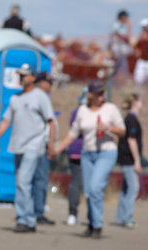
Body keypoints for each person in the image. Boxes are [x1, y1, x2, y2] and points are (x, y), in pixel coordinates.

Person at [0, 63, 56, 233]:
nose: (21, 78)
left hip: (34, 145)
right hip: (18, 146)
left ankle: (28, 220)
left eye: (25, 75)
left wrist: (51, 145)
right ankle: (24, 217)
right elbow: (5, 122)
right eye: (20, 75)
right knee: (20, 183)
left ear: (33, 77)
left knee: (24, 181)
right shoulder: (15, 98)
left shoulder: (40, 96)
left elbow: (51, 122)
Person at [54, 79, 125, 239]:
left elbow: (122, 131)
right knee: (88, 191)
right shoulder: (82, 111)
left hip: (106, 153)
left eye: (102, 93)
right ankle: (92, 223)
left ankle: (98, 226)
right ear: (90, 94)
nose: (101, 96)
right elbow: (73, 134)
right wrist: (57, 149)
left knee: (94, 187)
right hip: (87, 153)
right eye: (98, 93)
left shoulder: (110, 109)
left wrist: (109, 128)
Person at [32, 72, 57, 225]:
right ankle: (37, 213)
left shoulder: (41, 97)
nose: (49, 86)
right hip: (39, 145)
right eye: (47, 82)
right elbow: (50, 124)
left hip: (39, 144)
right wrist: (51, 144)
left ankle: (35, 211)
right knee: (39, 180)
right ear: (40, 82)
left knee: (37, 180)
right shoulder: (40, 97)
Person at [115, 93, 143, 229]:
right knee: (133, 188)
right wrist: (137, 161)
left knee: (126, 188)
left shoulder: (130, 118)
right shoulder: (131, 119)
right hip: (129, 159)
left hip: (126, 159)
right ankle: (127, 218)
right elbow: (131, 140)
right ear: (135, 102)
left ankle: (120, 217)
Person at [66, 87, 88, 226]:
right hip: (84, 150)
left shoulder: (75, 111)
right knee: (79, 184)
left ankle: (72, 214)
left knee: (75, 183)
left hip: (73, 149)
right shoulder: (85, 112)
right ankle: (73, 214)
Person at [108, 10, 133, 77]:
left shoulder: (119, 25)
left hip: (119, 52)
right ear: (122, 17)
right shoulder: (117, 25)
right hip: (118, 52)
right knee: (120, 70)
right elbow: (126, 38)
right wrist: (129, 27)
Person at [133, 18, 148, 90]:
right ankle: (136, 96)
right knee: (138, 79)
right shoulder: (141, 36)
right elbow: (136, 47)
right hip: (142, 60)